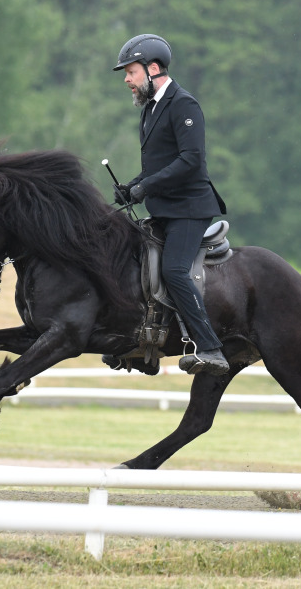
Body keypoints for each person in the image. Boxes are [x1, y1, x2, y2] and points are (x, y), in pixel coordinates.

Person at [112, 33, 229, 375]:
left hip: (190, 209)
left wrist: (145, 187)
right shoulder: (150, 109)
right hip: (165, 208)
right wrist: (131, 186)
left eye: (131, 72)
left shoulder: (184, 105)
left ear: (152, 69)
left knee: (174, 270)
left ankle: (211, 349)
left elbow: (190, 160)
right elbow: (157, 166)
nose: (127, 80)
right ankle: (142, 345)